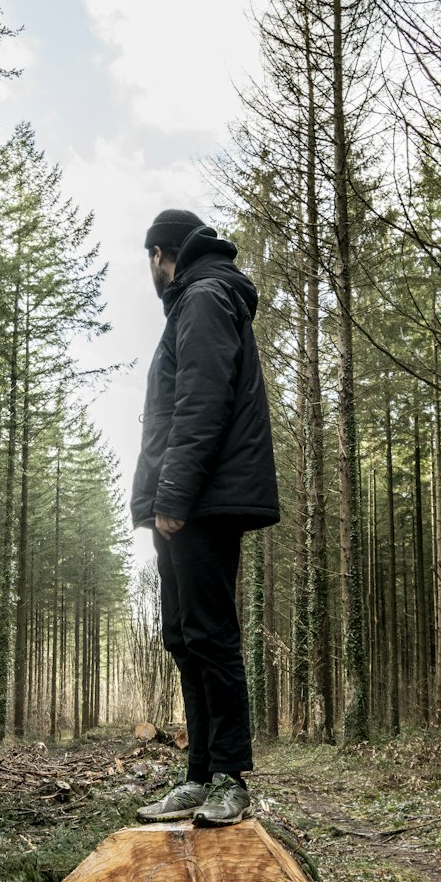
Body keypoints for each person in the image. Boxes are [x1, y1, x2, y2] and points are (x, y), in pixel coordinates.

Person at [131, 209, 279, 828]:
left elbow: (202, 403)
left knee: (212, 636)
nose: (152, 277)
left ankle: (229, 776)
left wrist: (173, 496)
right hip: (192, 499)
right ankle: (198, 775)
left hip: (202, 501)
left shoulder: (206, 296)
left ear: (163, 255)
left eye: (150, 265)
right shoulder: (201, 297)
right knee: (183, 636)